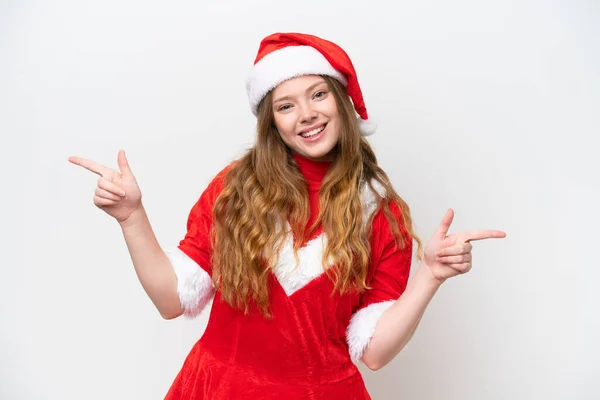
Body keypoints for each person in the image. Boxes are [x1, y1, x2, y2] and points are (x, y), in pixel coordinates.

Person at [69, 32, 506, 400]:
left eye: (318, 94)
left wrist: (429, 275)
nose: (307, 114)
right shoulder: (235, 188)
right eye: (286, 105)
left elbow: (373, 352)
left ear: (342, 102)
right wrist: (131, 217)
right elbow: (171, 301)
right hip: (219, 389)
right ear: (271, 122)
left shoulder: (381, 214)